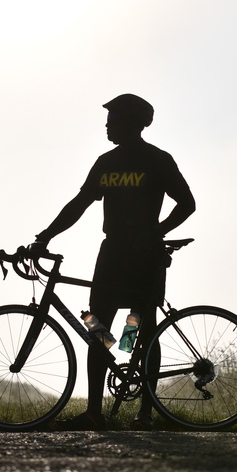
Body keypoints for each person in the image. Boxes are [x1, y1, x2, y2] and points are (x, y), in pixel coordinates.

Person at [32, 93, 196, 430]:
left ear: (134, 123)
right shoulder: (106, 162)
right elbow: (79, 204)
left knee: (142, 329)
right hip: (112, 255)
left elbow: (187, 203)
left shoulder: (157, 160)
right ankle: (95, 412)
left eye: (114, 119)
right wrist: (45, 236)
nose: (107, 126)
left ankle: (146, 414)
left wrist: (156, 232)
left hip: (144, 257)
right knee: (98, 328)